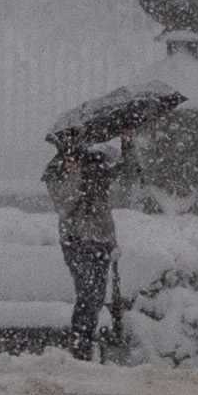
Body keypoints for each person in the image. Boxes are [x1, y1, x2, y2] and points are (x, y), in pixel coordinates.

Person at [43, 126, 126, 355]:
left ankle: (84, 341)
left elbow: (125, 178)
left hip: (100, 240)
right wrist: (73, 174)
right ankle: (81, 344)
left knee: (96, 295)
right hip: (77, 240)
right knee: (87, 293)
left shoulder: (98, 165)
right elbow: (65, 205)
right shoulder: (56, 171)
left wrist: (127, 143)